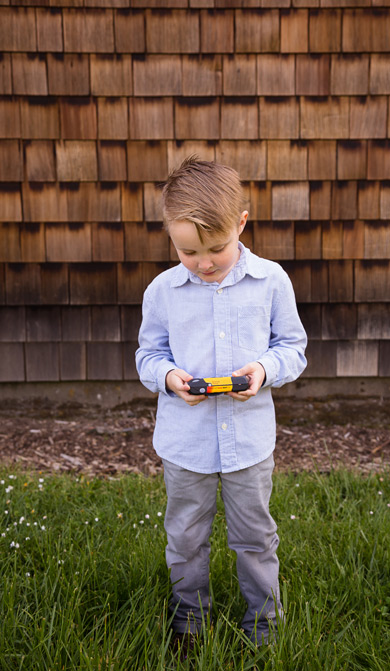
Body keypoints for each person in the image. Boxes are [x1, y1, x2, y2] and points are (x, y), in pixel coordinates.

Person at [136, 156, 307, 648]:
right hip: (185, 445)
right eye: (188, 251)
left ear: (242, 225)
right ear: (171, 236)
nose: (204, 262)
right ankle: (189, 621)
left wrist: (265, 370)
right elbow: (148, 354)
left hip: (248, 444)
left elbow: (292, 348)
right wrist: (169, 378)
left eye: (216, 248)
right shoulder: (163, 291)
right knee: (186, 537)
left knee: (255, 536)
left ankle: (263, 626)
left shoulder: (271, 281)